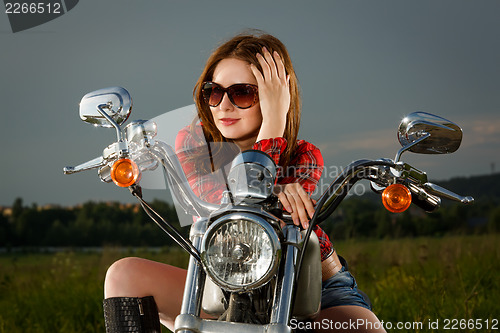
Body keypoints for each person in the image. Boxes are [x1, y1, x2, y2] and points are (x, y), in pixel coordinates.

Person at [103, 31, 386, 333]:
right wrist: (275, 185)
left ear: (276, 95)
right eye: (214, 91)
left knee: (365, 329)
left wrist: (275, 119)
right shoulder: (195, 143)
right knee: (123, 275)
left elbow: (267, 221)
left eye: (242, 93)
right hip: (221, 286)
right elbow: (231, 200)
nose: (223, 105)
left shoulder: (305, 154)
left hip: (313, 286)